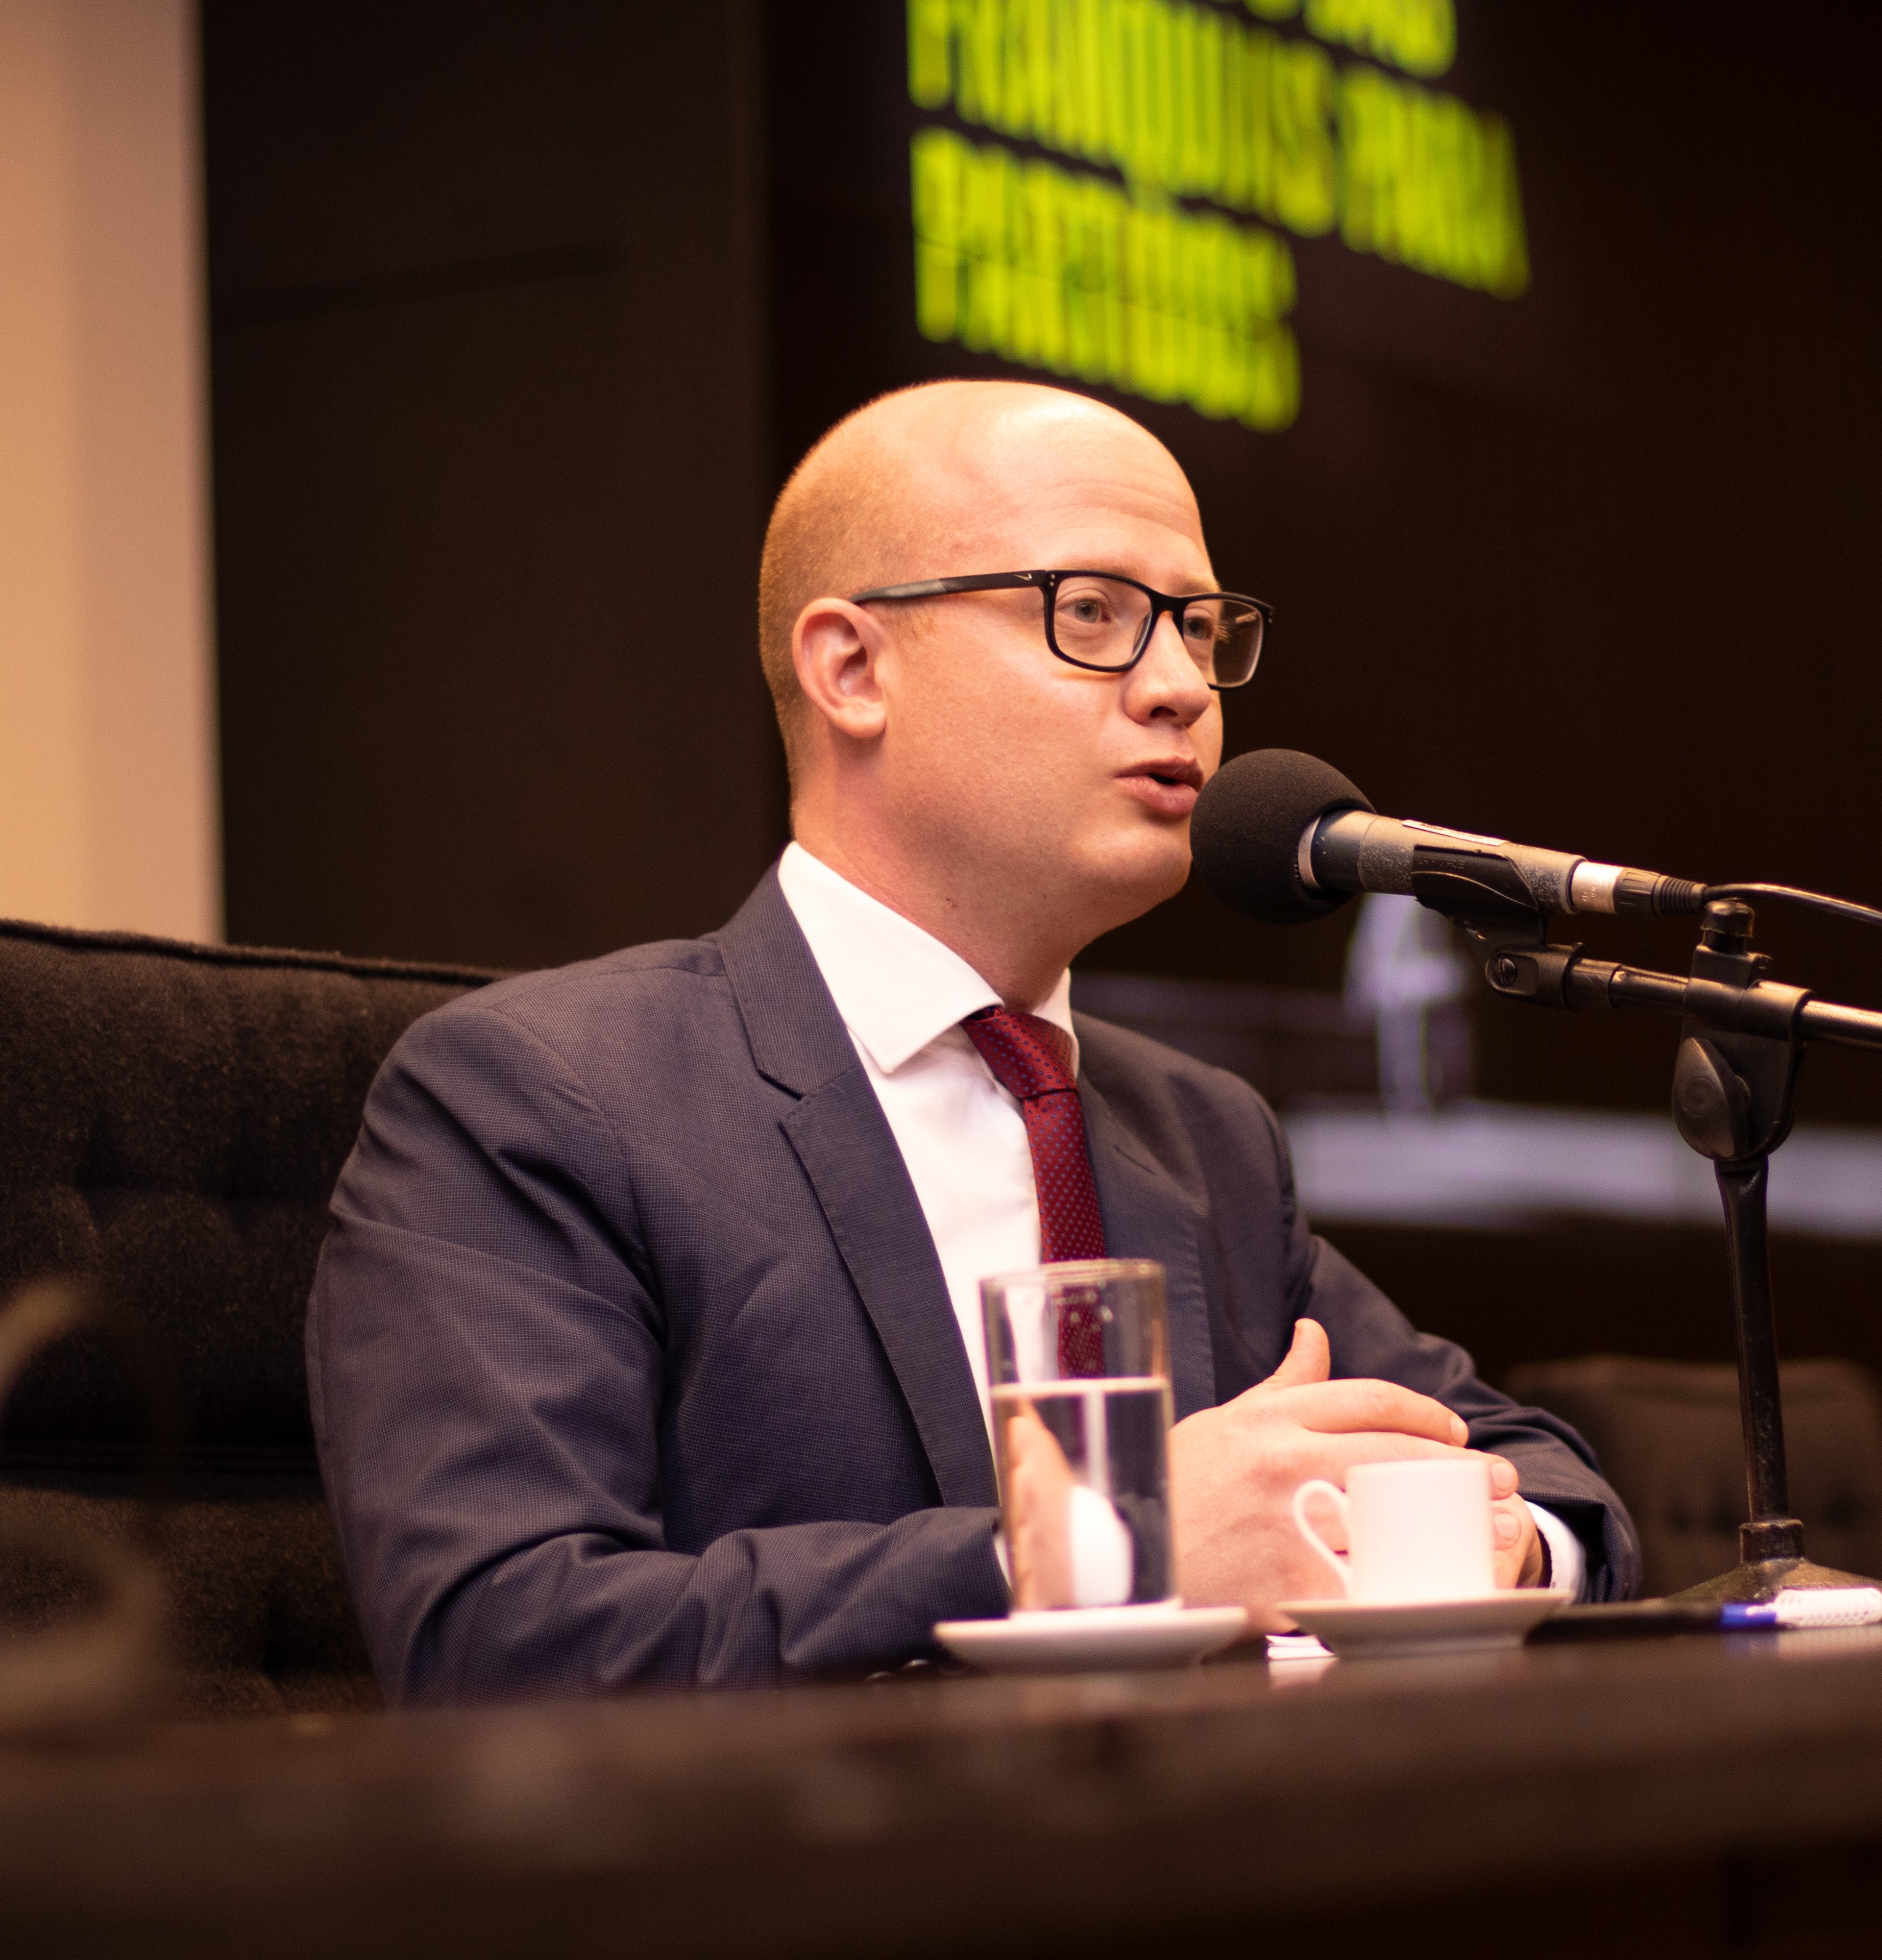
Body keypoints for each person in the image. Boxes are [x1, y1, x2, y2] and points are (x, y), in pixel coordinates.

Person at [307, 380, 1634, 1702]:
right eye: (1096, 615)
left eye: (1203, 629)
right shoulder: (541, 1100)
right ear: (853, 669)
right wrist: (1109, 1552)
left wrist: (1499, 1540)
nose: (1181, 689)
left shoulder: (1200, 1132)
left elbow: (1545, 1475)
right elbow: (497, 1638)